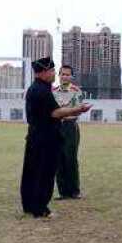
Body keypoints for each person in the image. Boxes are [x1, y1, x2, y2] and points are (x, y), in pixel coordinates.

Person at [20, 57, 91, 218]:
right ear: (44, 72)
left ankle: (30, 205)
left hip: (36, 135)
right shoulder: (44, 91)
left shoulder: (35, 88)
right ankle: (40, 208)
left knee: (33, 171)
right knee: (45, 172)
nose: (54, 74)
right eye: (52, 71)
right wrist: (78, 109)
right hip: (46, 137)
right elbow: (56, 112)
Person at [53, 65, 84, 200]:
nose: (64, 77)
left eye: (67, 74)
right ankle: (63, 192)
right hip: (56, 127)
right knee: (59, 160)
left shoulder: (76, 91)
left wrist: (65, 114)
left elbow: (78, 110)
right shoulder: (53, 91)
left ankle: (74, 191)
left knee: (71, 159)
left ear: (71, 77)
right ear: (59, 75)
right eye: (62, 74)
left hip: (71, 126)